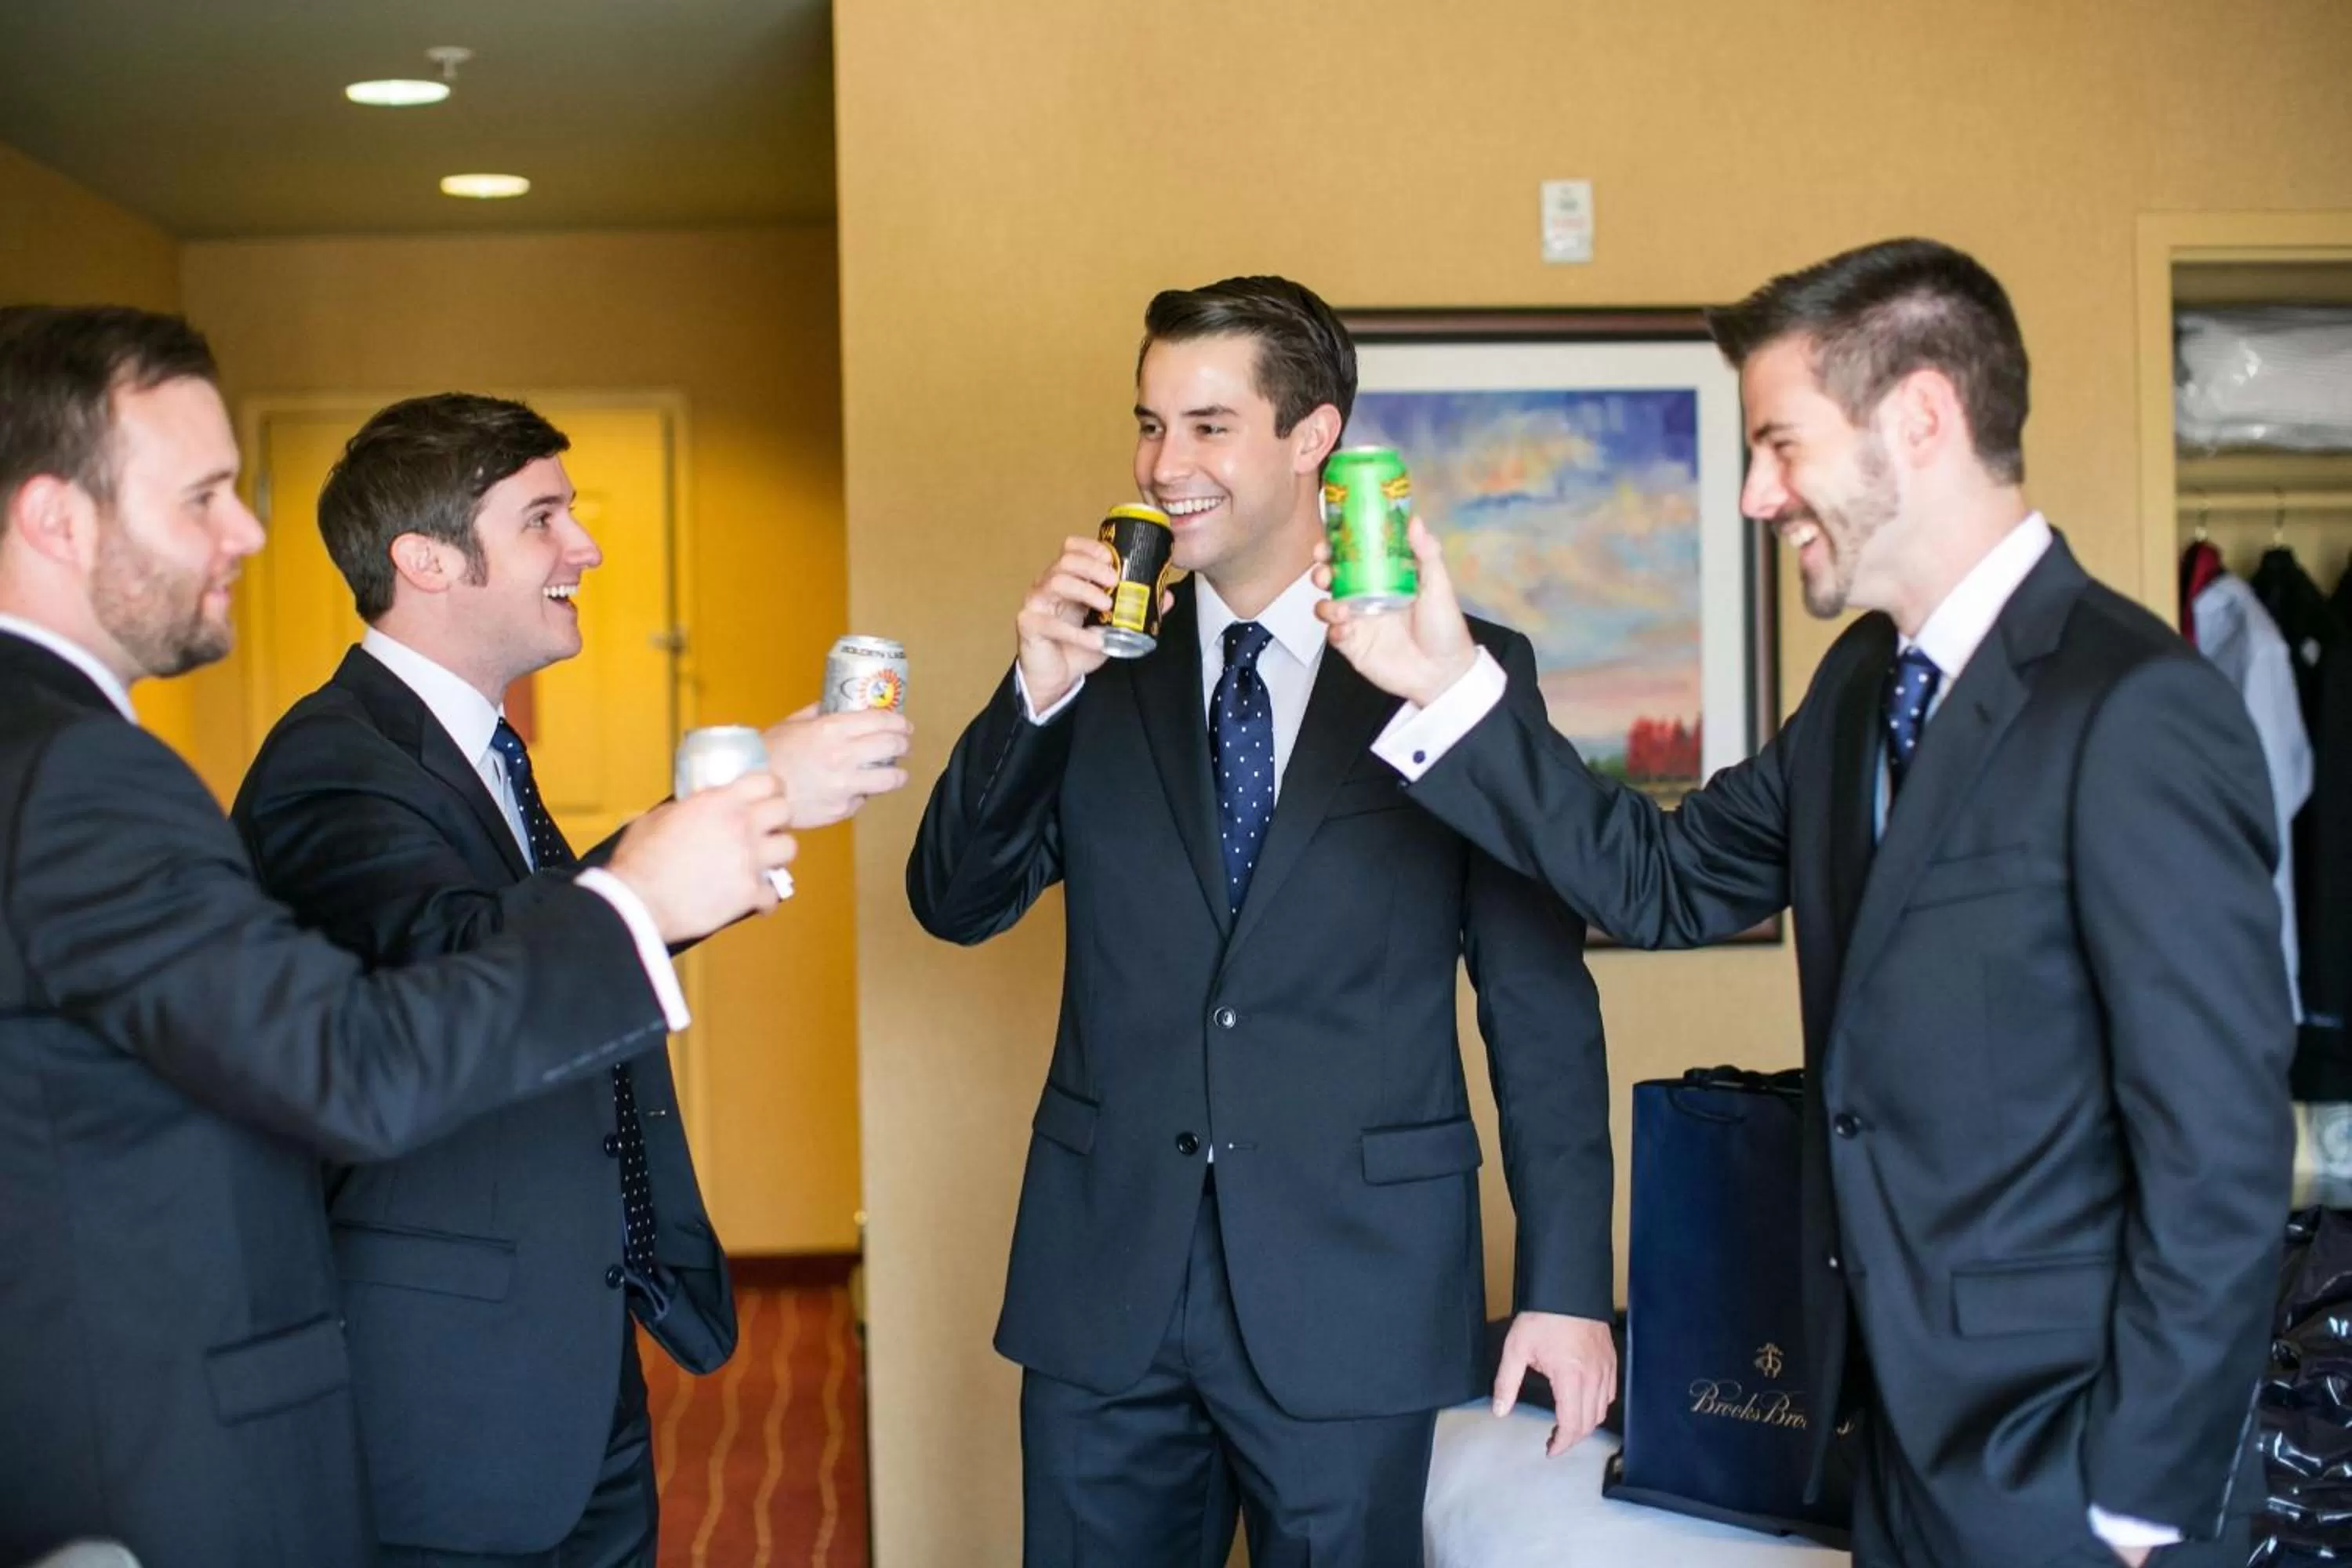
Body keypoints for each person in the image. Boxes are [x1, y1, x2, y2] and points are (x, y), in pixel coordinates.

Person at [1320, 238, 2292, 1567]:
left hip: (2079, 1479)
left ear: (1924, 418)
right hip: (1891, 1452)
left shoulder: (2138, 709)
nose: (1753, 494)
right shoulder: (1855, 693)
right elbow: (1657, 884)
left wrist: (2131, 1503)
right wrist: (1445, 687)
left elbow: (2223, 1152)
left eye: (1780, 444)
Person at [0, 305, 795, 1568]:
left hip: (541, 1348)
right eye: (206, 493)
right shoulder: (91, 772)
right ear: (56, 519)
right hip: (172, 1440)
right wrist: (641, 900)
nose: (251, 530)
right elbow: (358, 1056)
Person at [908, 276, 1615, 1566]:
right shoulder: (1097, 670)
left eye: (1209, 426)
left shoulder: (1461, 669)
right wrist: (1035, 689)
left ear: (1315, 439)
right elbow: (954, 901)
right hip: (1104, 1286)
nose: (1164, 465)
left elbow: (1539, 1007)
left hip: (1358, 1294)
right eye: (1149, 424)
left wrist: (1568, 1289)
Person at [227, 392, 910, 1564]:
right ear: (428, 559)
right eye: (544, 518)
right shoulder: (329, 763)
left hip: (570, 1345)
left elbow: (546, 939)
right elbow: (466, 968)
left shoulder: (475, 744)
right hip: (447, 1380)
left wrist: (702, 848)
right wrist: (723, 820)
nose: (583, 547)